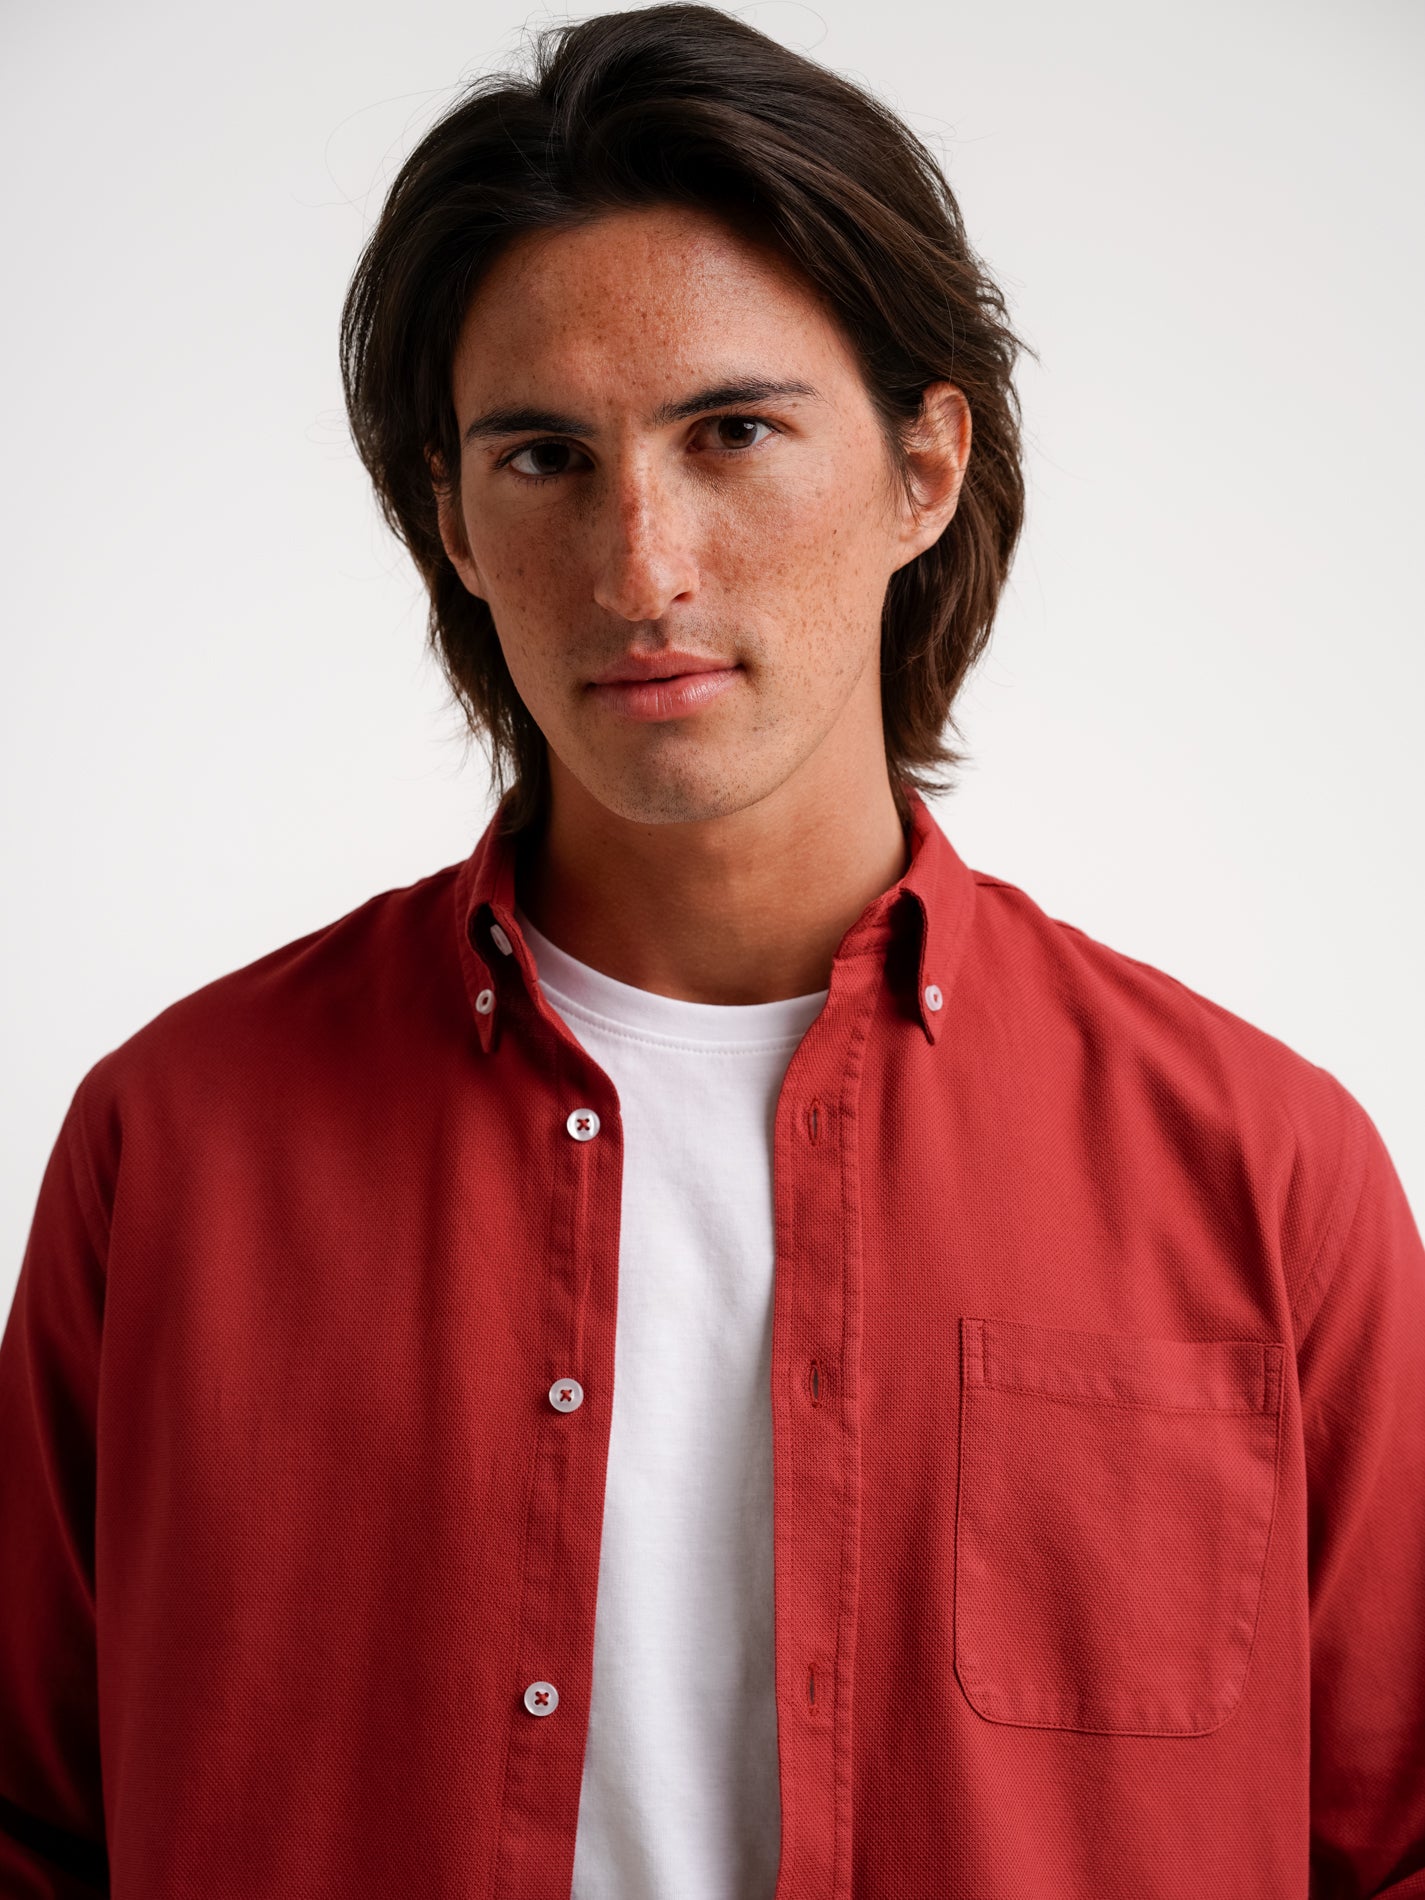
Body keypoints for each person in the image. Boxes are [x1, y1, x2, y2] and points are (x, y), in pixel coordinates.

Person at [2, 5, 1421, 1895]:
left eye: (732, 433)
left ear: (923, 467)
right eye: (540, 457)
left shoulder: (1262, 1170)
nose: (640, 566)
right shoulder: (173, 1146)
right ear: (451, 522)